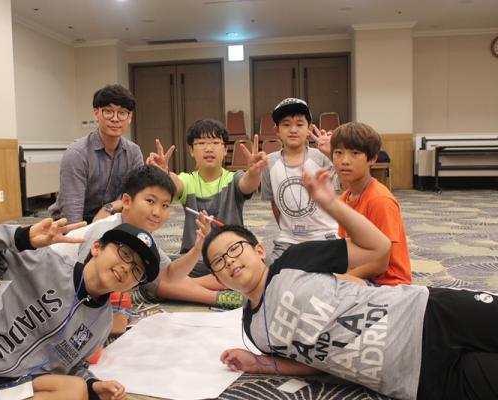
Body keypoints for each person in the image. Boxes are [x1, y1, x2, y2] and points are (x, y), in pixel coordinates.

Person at [202, 169, 498, 400]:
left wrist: (330, 203)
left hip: (429, 314)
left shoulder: (294, 260)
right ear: (217, 278)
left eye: (235, 248)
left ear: (259, 250)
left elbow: (379, 248)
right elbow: (314, 364)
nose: (229, 261)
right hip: (418, 378)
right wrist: (258, 363)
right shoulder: (255, 331)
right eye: (218, 261)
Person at [0, 219, 161, 400]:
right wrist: (21, 237)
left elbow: (73, 367)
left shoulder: (102, 323)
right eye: (125, 253)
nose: (127, 267)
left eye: (137, 270)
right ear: (97, 247)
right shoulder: (44, 262)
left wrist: (94, 386)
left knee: (74, 390)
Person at [53, 165, 235, 312]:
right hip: (52, 289)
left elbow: (170, 275)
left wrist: (197, 248)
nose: (157, 212)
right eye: (150, 201)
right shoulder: (106, 231)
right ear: (126, 201)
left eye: (165, 205)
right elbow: (82, 287)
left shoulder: (141, 236)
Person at [146, 118, 267, 308]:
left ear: (225, 149)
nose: (209, 148)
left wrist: (254, 171)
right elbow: (175, 185)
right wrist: (164, 173)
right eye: (201, 143)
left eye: (215, 143)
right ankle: (220, 295)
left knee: (260, 262)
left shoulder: (233, 179)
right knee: (150, 271)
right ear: (191, 150)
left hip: (229, 258)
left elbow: (248, 184)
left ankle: (186, 288)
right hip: (194, 259)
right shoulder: (188, 180)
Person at [313, 121, 411, 285]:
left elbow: (382, 262)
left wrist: (344, 277)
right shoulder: (345, 198)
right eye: (338, 153)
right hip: (364, 274)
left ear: (372, 158)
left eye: (355, 153)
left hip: (388, 283)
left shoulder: (380, 201)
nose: (345, 160)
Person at [48, 84, 143, 224]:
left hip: (113, 216)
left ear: (129, 117)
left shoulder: (133, 152)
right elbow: (72, 213)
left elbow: (136, 197)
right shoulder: (77, 154)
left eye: (122, 113)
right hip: (76, 221)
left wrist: (108, 208)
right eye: (108, 111)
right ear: (96, 113)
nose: (115, 119)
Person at [261, 98, 339, 263]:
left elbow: (347, 185)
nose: (293, 130)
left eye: (299, 124)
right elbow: (275, 204)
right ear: (277, 130)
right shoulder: (269, 163)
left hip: (324, 235)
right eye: (286, 124)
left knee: (330, 271)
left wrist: (332, 154)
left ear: (309, 129)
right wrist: (287, 231)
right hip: (289, 239)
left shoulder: (321, 157)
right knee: (271, 272)